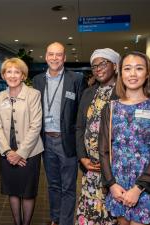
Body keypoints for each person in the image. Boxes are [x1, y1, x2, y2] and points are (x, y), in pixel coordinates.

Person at [32, 42, 85, 225]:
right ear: (46, 57)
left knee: (68, 187)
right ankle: (55, 219)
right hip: (46, 140)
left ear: (64, 58)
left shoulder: (76, 79)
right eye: (51, 54)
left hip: (66, 140)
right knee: (53, 185)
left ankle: (65, 222)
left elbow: (80, 112)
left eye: (59, 55)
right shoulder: (38, 80)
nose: (55, 58)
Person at [99, 51, 150, 225]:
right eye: (127, 69)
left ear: (147, 73)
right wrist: (111, 184)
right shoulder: (111, 107)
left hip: (145, 186)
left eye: (139, 68)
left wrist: (138, 188)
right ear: (121, 73)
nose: (133, 74)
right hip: (118, 185)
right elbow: (104, 150)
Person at [0, 58, 44, 225]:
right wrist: (8, 152)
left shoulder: (33, 94)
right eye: (9, 71)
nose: (13, 75)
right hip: (7, 152)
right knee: (13, 191)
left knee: (28, 192)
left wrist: (21, 153)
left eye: (17, 72)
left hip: (30, 152)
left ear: (23, 75)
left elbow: (36, 125)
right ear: (3, 75)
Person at [76, 48, 120, 225]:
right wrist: (82, 157)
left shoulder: (124, 92)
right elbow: (79, 127)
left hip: (113, 170)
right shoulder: (88, 93)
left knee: (112, 215)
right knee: (90, 216)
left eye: (103, 63)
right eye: (94, 66)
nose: (98, 69)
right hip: (91, 168)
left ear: (115, 66)